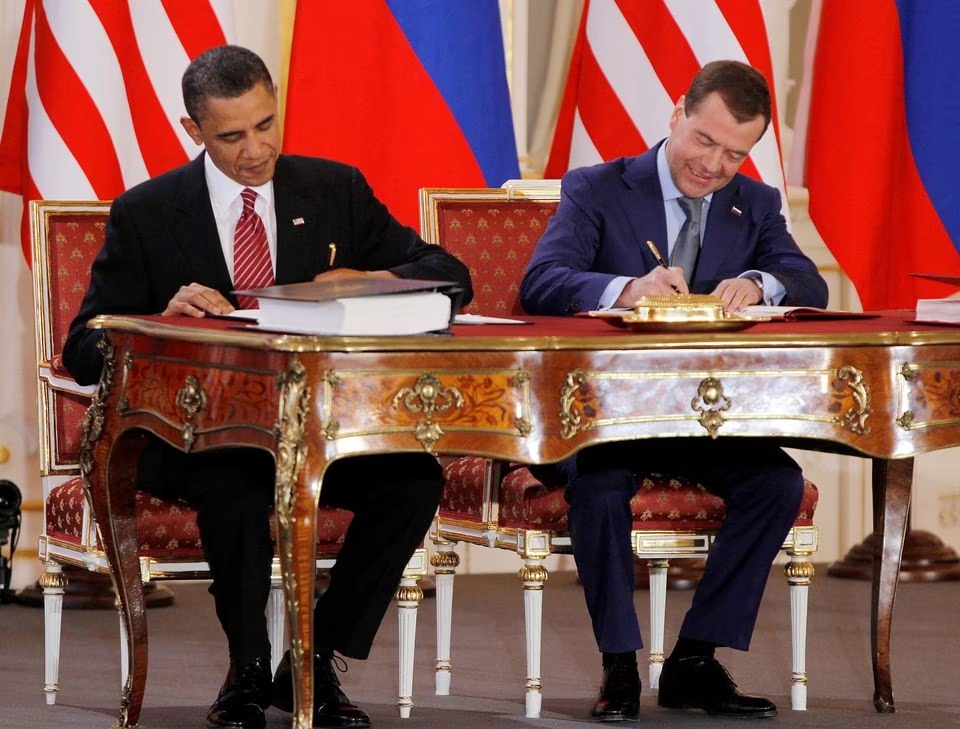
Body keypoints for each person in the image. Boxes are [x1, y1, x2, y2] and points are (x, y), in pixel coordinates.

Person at [63, 45, 472, 729]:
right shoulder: (148, 211)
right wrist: (159, 319)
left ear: (276, 103)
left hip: (317, 431)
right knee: (238, 478)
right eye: (232, 136)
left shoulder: (334, 189)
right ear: (193, 130)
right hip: (192, 435)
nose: (256, 150)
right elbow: (83, 349)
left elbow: (452, 275)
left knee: (413, 481)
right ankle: (246, 670)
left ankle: (312, 661)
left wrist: (368, 281)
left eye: (265, 124)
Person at [520, 60, 828, 721]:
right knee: (600, 487)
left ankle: (693, 660)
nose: (713, 166)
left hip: (699, 419)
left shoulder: (755, 203)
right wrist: (626, 290)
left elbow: (809, 283)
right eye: (704, 140)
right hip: (598, 417)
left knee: (776, 483)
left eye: (734, 154)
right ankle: (619, 666)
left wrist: (760, 282)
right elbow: (541, 282)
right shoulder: (598, 188)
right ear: (677, 113)